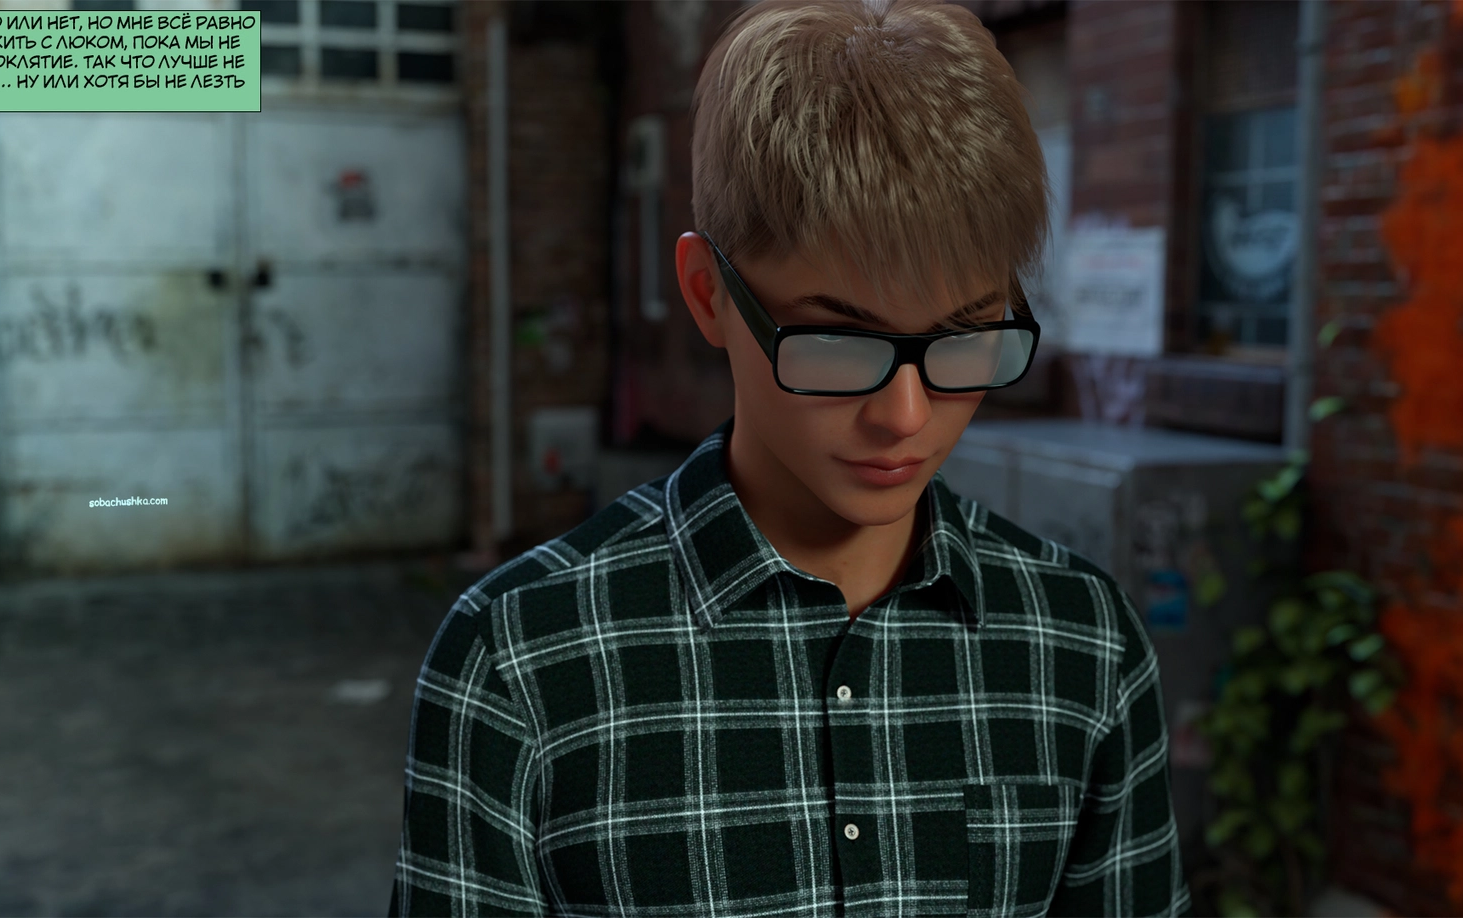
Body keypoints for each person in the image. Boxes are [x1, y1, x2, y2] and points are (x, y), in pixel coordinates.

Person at [392, 1, 1192, 914]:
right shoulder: (518, 660)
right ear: (708, 294)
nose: (905, 416)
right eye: (838, 344)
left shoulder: (1083, 641)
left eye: (965, 340)